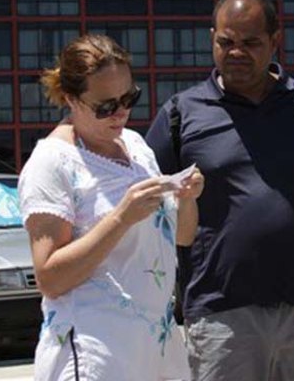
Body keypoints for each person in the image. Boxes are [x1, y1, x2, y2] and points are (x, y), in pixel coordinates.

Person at [145, 0, 294, 381]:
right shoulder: (180, 115)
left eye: (250, 43)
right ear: (211, 38)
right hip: (220, 315)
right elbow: (145, 202)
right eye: (225, 42)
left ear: (276, 41)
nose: (236, 52)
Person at [19, 33, 204, 381]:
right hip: (95, 353)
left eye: (129, 97)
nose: (121, 112)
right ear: (71, 99)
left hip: (156, 348)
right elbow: (49, 278)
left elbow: (182, 235)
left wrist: (187, 199)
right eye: (106, 105)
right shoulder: (52, 163)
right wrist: (120, 218)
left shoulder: (135, 146)